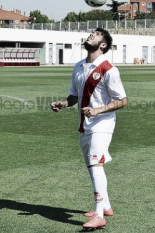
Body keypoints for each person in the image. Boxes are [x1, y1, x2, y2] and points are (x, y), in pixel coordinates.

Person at [50, 28, 127, 229]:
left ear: (103, 45)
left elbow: (122, 100)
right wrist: (64, 103)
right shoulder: (78, 67)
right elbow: (74, 96)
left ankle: (99, 215)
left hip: (102, 124)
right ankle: (106, 206)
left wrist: (98, 110)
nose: (91, 34)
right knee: (92, 167)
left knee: (96, 165)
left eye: (96, 34)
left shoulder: (109, 69)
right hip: (85, 125)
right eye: (91, 32)